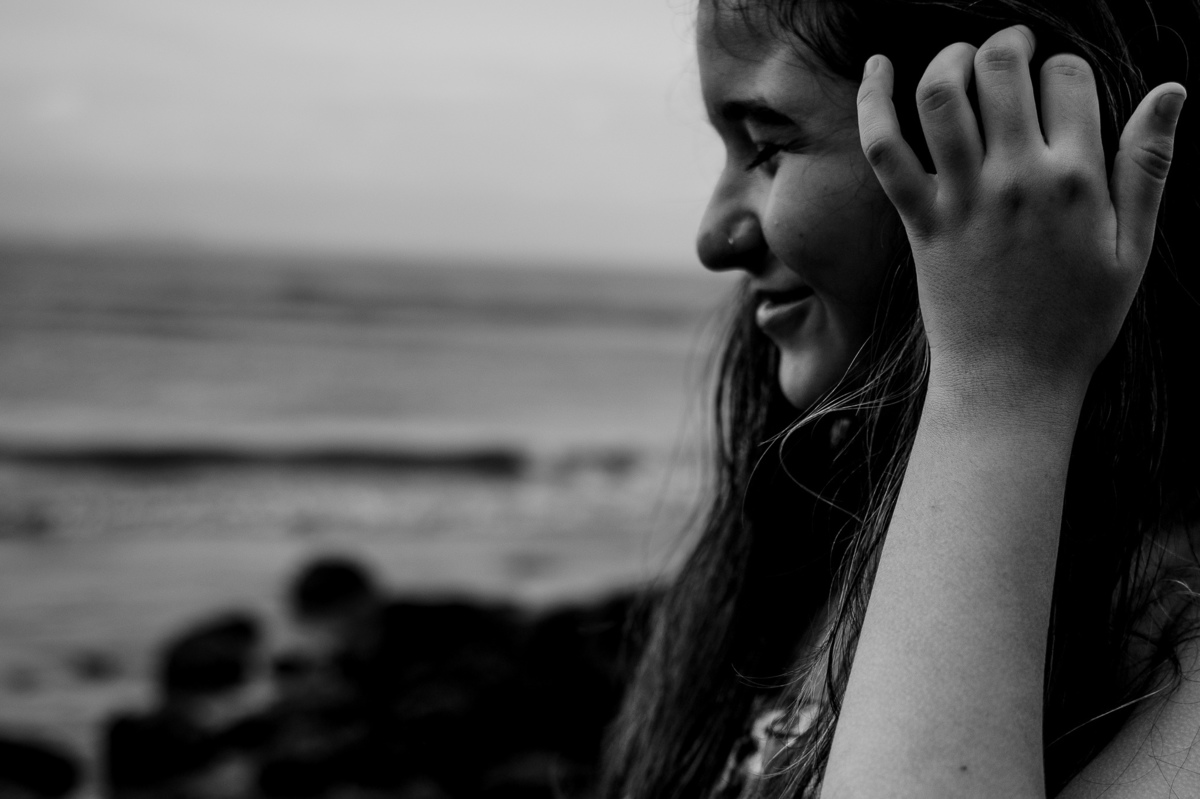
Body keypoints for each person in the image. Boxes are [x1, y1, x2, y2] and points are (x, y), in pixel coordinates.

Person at [601, 1, 1198, 798]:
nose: (714, 237)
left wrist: (1002, 381)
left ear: (1018, 141)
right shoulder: (817, 520)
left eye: (769, 146)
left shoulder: (1179, 629)